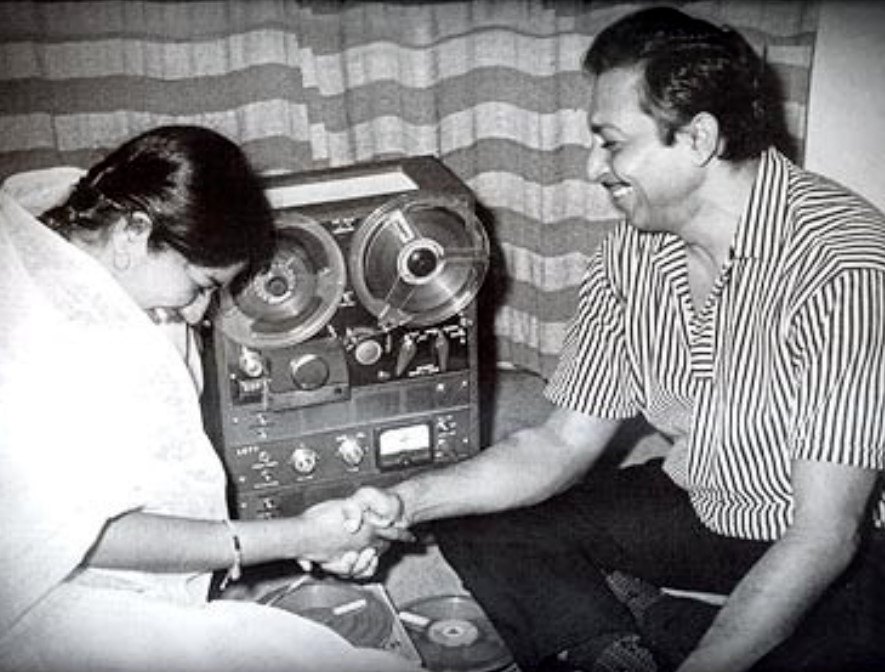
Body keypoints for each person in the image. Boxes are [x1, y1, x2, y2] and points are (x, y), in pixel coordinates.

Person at [357, 7, 885, 672]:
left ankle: (665, 626)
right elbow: (556, 444)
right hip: (700, 500)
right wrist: (405, 500)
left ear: (696, 139)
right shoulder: (628, 255)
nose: (590, 165)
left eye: (610, 142)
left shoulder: (842, 262)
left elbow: (822, 535)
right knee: (476, 515)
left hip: (840, 548)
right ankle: (622, 646)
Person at [0, 125, 415, 672]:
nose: (200, 313)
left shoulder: (89, 248)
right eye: (200, 285)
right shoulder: (34, 340)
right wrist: (295, 537)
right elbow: (76, 537)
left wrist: (309, 534)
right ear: (131, 234)